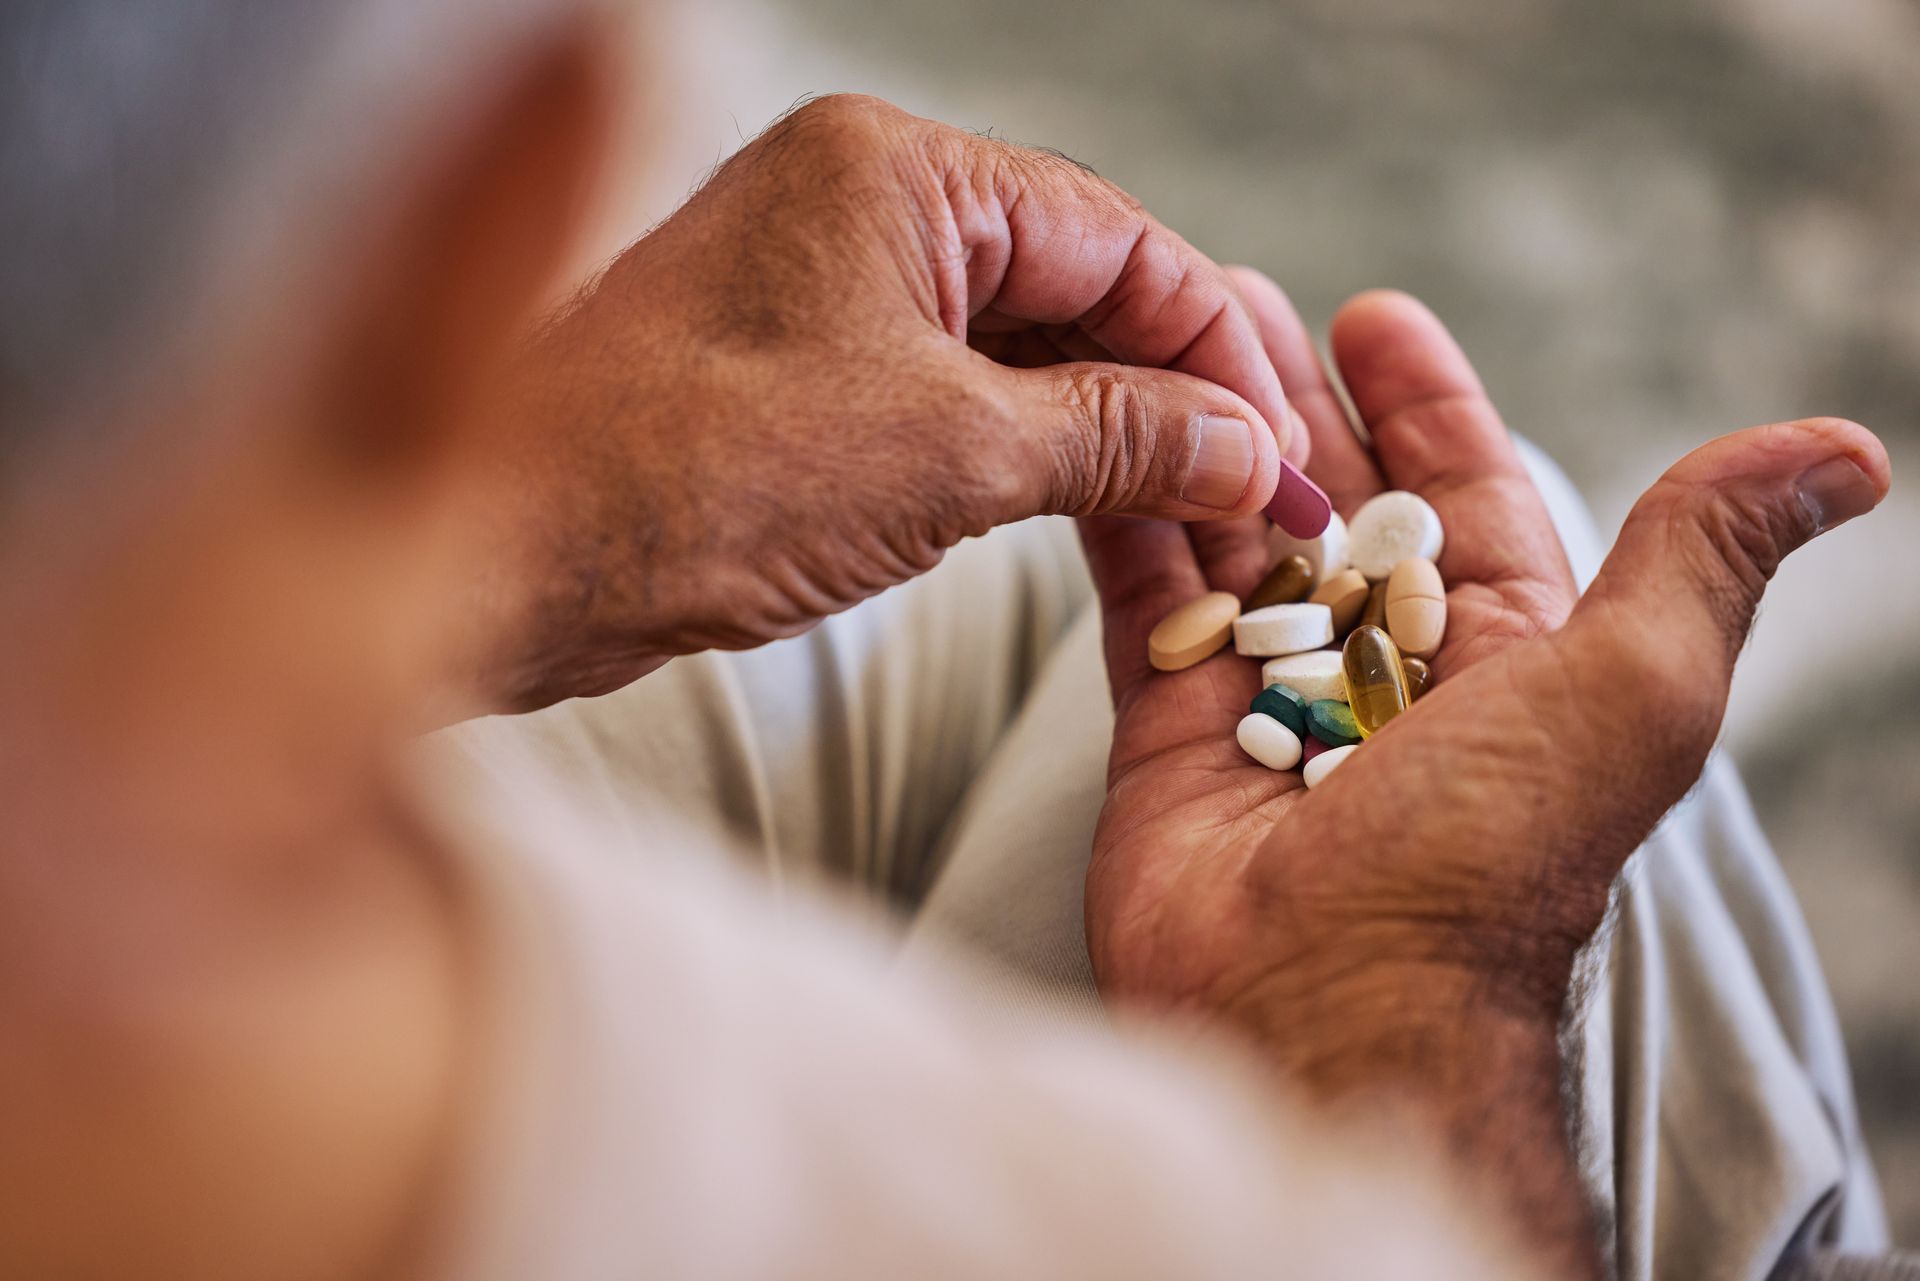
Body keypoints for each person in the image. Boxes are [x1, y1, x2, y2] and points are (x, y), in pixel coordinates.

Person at [0, 2, 1902, 1279]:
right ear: (495, 210)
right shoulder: (1063, 1224)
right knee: (1525, 573)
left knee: (1048, 604)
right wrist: (1404, 990)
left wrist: (504, 531)